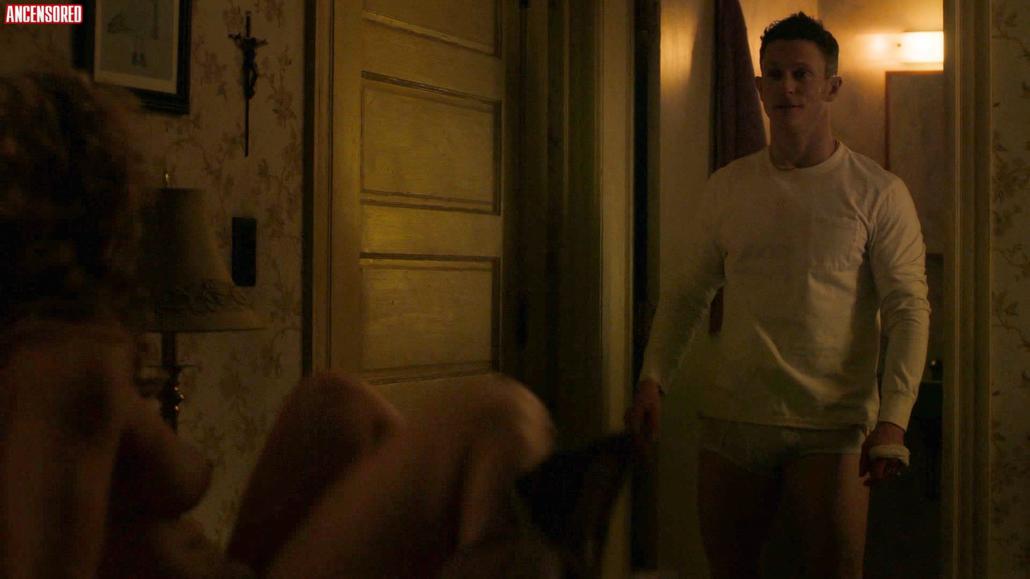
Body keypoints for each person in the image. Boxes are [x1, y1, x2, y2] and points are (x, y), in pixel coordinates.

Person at [0, 69, 559, 578]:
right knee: (499, 415)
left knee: (334, 404)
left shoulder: (45, 354)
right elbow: (177, 480)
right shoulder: (65, 364)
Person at [625, 12, 930, 579]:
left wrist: (894, 419)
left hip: (833, 424)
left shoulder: (878, 193)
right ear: (759, 86)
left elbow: (908, 309)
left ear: (831, 86)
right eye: (775, 74)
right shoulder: (728, 187)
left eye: (801, 74)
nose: (787, 87)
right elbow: (688, 293)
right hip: (734, 417)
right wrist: (653, 378)